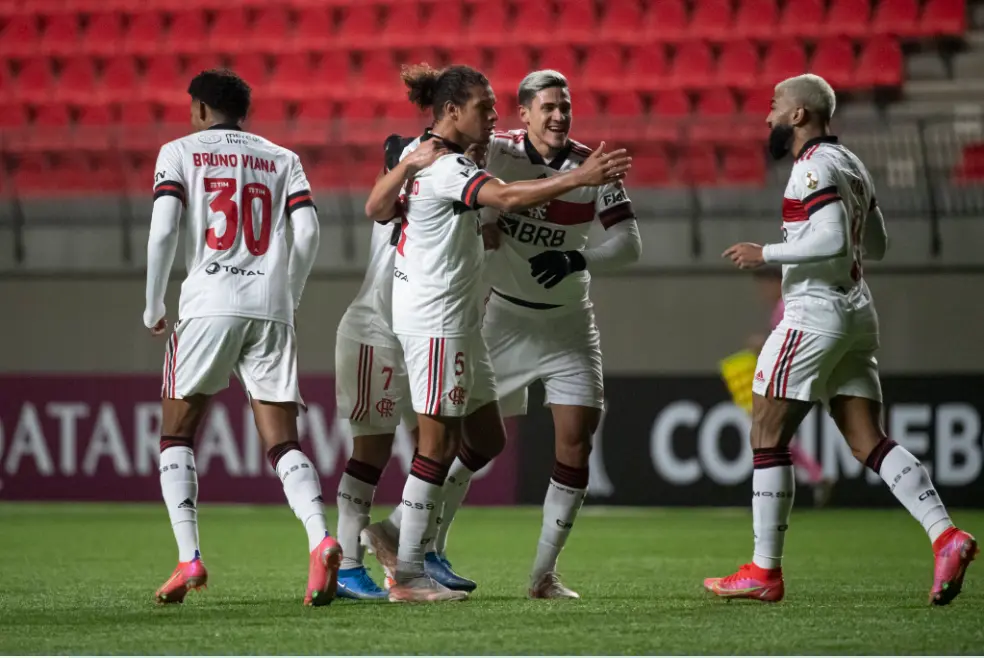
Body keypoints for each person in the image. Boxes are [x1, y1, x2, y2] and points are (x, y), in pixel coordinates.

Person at [361, 63, 631, 603]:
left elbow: (376, 204)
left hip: (517, 320)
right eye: (487, 108)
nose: (495, 117)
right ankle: (411, 568)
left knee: (488, 438)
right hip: (456, 317)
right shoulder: (453, 162)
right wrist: (576, 180)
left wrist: (575, 251)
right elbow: (502, 199)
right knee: (436, 445)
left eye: (565, 106)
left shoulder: (450, 156)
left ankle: (532, 573)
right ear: (454, 112)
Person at [708, 73, 977, 605]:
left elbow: (832, 239)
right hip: (856, 311)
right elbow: (875, 243)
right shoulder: (851, 164)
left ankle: (764, 571)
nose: (768, 117)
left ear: (799, 115)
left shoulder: (812, 167)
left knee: (766, 430)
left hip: (814, 313)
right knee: (867, 440)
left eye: (774, 106)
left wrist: (768, 253)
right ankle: (946, 535)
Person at [143, 69, 339, 606]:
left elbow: (163, 228)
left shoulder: (179, 150)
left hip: (208, 304)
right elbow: (309, 231)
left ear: (203, 108)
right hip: (270, 308)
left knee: (177, 435)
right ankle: (320, 538)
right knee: (283, 442)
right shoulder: (282, 157)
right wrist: (289, 294)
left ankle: (190, 558)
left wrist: (153, 302)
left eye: (191, 106)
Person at [333, 136, 448, 600]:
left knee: (434, 445)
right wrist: (411, 164)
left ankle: (412, 551)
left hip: (416, 337)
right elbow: (377, 203)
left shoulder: (438, 200)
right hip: (375, 334)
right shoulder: (395, 201)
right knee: (371, 454)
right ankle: (345, 564)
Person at [749, 267, 836, 508]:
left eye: (766, 284)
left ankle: (778, 496)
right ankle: (815, 476)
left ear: (779, 282)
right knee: (777, 436)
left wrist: (761, 345)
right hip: (796, 378)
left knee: (770, 433)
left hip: (790, 380)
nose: (763, 291)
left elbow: (787, 344)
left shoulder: (786, 307)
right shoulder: (793, 304)